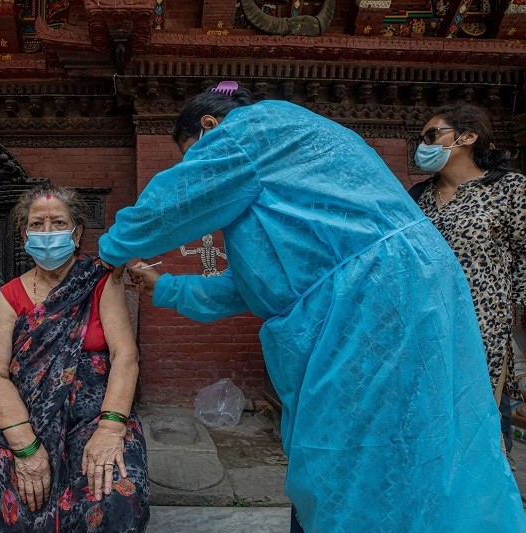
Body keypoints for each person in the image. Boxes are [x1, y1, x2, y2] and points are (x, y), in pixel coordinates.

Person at [99, 82, 525, 530]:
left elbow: (169, 204)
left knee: (358, 451)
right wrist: (165, 287)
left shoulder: (251, 129)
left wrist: (108, 252)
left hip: (372, 300)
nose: (199, 166)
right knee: (414, 439)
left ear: (209, 125)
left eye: (194, 154)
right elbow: (250, 285)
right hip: (399, 291)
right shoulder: (296, 151)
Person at [0, 185, 149, 532]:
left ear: (77, 232)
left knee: (115, 490)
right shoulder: (9, 295)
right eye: (38, 224)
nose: (47, 232)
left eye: (58, 223)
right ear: (24, 233)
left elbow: (125, 356)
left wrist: (111, 427)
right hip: (21, 415)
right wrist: (24, 442)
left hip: (93, 417)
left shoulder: (99, 282)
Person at [409, 102, 526, 469]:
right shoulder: (416, 198)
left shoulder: (509, 190)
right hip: (424, 335)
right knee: (428, 448)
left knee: (479, 453)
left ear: (468, 136)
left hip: (481, 339)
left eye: (433, 135)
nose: (423, 146)